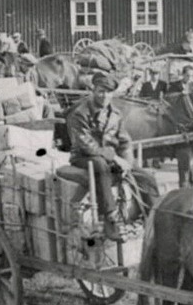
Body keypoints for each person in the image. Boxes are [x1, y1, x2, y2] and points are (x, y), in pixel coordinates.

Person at [66, 72, 159, 241]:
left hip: (111, 158)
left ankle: (154, 220)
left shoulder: (115, 114)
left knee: (147, 177)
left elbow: (124, 142)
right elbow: (86, 144)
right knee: (101, 166)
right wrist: (115, 159)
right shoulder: (80, 113)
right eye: (101, 91)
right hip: (84, 157)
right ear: (93, 90)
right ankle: (111, 219)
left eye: (109, 92)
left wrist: (128, 164)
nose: (104, 96)